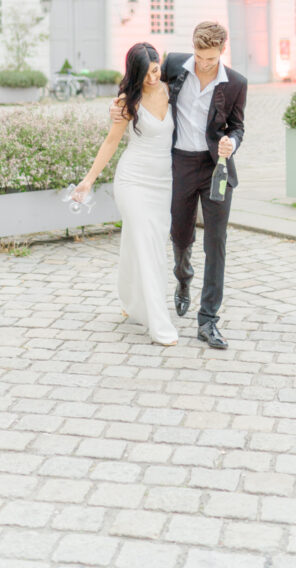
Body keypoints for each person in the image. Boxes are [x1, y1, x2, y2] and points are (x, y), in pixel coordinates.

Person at [112, 21, 247, 350]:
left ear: (222, 52)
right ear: (193, 48)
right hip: (181, 166)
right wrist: (117, 106)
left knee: (216, 242)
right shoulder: (172, 66)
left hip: (216, 168)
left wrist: (231, 140)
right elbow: (139, 85)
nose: (204, 64)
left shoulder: (236, 83)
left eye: (211, 59)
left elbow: (238, 126)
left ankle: (208, 320)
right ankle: (183, 278)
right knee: (181, 235)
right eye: (200, 57)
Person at [72, 43, 178, 347]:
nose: (152, 78)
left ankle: (131, 302)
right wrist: (88, 180)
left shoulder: (173, 91)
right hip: (132, 181)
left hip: (163, 183)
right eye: (144, 74)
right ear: (134, 74)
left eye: (155, 70)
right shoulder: (125, 102)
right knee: (148, 247)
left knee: (144, 242)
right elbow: (110, 143)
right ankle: (159, 321)